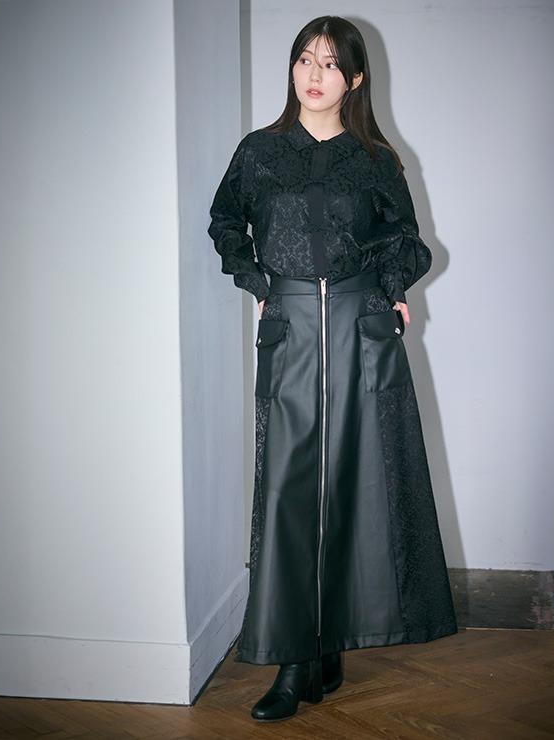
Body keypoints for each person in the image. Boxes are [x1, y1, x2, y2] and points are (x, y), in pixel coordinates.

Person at [208, 16, 457, 722]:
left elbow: (407, 240)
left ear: (354, 79)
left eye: (329, 64)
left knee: (357, 480)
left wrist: (393, 289)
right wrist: (258, 283)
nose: (314, 75)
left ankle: (328, 643)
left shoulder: (375, 159)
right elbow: (225, 222)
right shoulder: (259, 152)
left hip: (360, 327)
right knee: (292, 490)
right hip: (291, 329)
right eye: (304, 60)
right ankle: (297, 656)